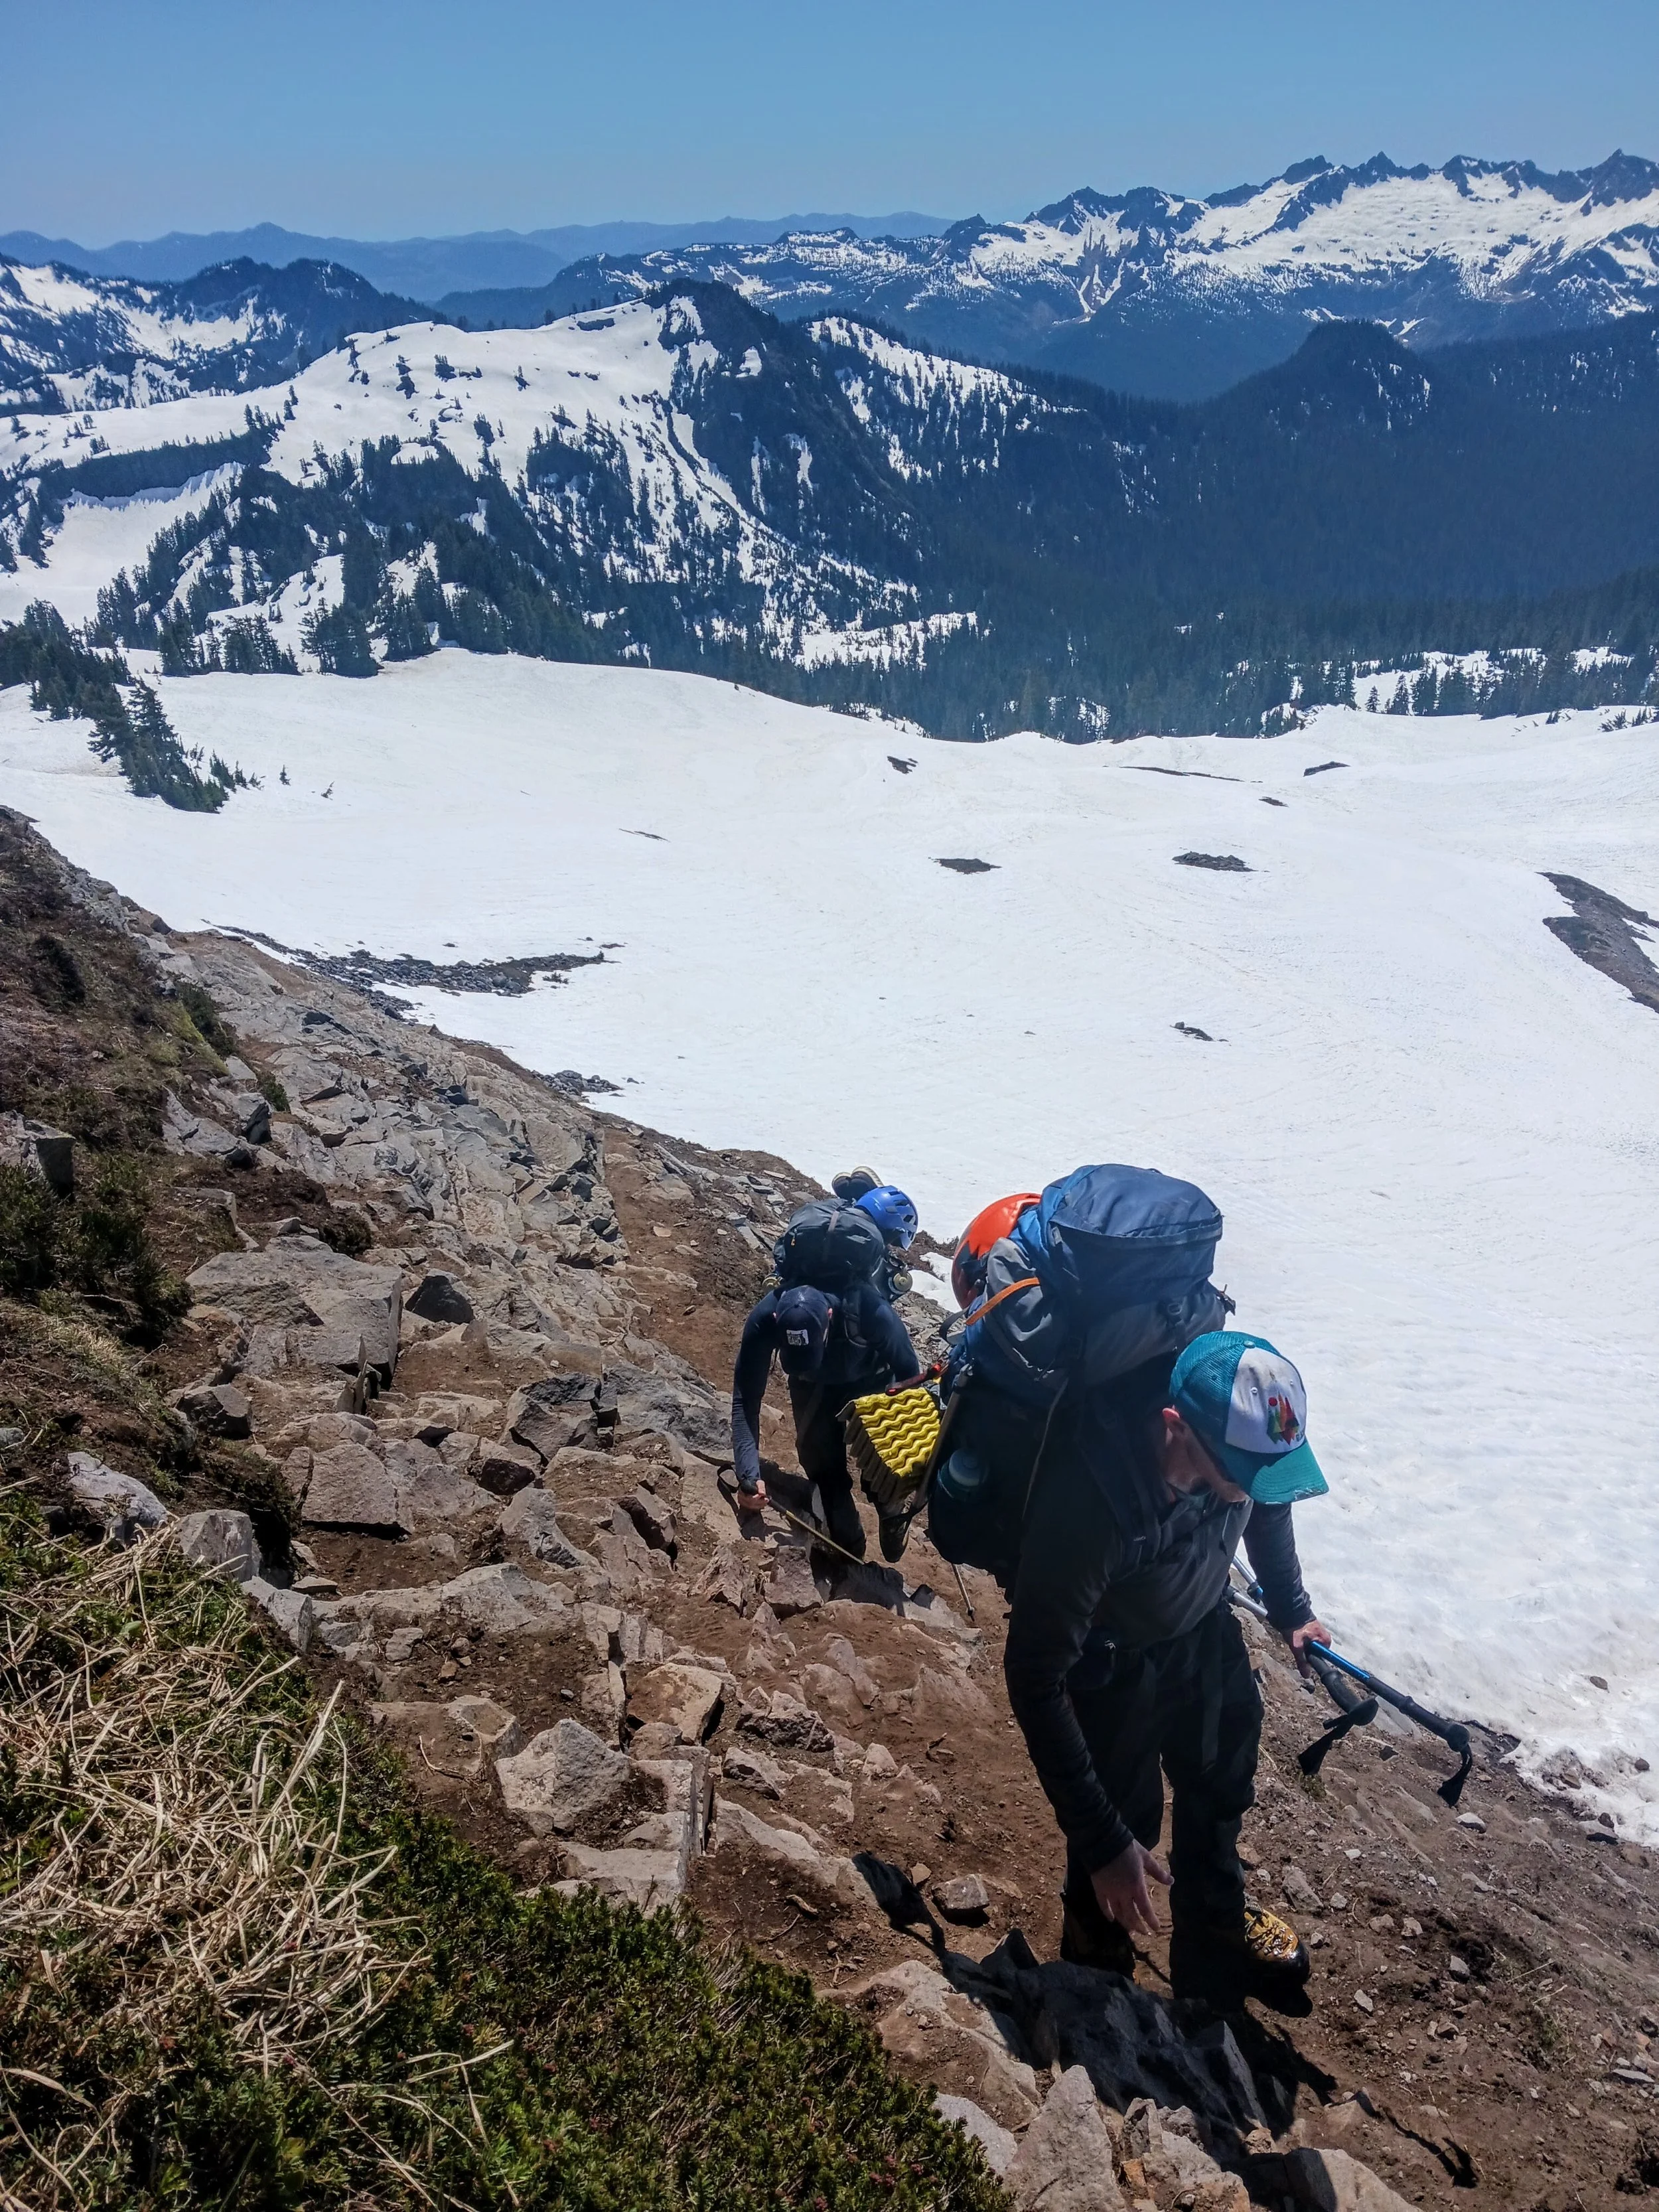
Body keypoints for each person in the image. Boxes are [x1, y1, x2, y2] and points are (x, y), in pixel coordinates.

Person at [1002, 1328, 1332, 2012]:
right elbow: (1034, 1676)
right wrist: (1102, 1844)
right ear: (1175, 1429)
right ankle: (1100, 1990)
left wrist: (1290, 1605)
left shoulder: (1235, 1451)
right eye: (1239, 1471)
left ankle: (1212, 1960)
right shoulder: (1090, 1505)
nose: (1253, 1489)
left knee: (1218, 1790)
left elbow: (1263, 1498)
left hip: (1201, 1627)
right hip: (1111, 1663)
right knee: (1125, 1828)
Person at [730, 1252, 920, 1560]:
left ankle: (890, 1510)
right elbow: (745, 1401)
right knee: (821, 1467)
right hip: (814, 1384)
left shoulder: (870, 1309)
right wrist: (748, 1475)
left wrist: (900, 1435)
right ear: (777, 1321)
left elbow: (910, 1372)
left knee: (884, 1465)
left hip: (872, 1380)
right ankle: (850, 1551)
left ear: (830, 1317)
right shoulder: (764, 1317)